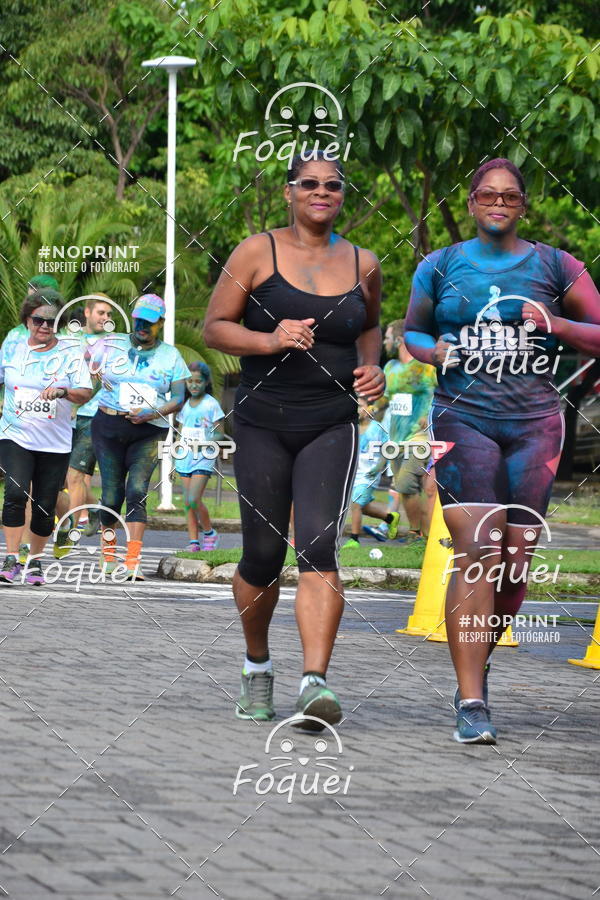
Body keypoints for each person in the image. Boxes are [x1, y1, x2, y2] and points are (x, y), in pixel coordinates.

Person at [405, 157, 600, 744]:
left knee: (514, 562)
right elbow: (413, 330)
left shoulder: (555, 265)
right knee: (477, 547)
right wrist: (434, 352)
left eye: (509, 196)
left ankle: (477, 658)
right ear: (470, 203)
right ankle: (471, 699)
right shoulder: (439, 267)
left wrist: (556, 325)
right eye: (487, 195)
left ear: (522, 205)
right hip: (462, 417)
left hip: (536, 424)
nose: (498, 203)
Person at [204, 151, 384, 729]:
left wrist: (371, 367)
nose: (322, 192)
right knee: (262, 556)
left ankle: (315, 684)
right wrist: (271, 337)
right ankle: (257, 667)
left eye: (333, 185)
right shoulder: (258, 251)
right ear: (289, 192)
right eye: (310, 183)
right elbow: (214, 328)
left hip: (331, 423)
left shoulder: (364, 261)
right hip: (261, 422)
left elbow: (371, 324)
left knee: (319, 547)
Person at [90, 293, 190, 580]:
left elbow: (180, 396)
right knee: (111, 495)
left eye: (149, 322)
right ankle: (108, 555)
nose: (142, 326)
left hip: (149, 430)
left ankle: (132, 561)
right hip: (108, 426)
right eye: (138, 320)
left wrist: (151, 412)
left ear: (161, 323)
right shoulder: (111, 344)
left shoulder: (171, 355)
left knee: (136, 490)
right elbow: (86, 367)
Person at [0, 291, 92, 585]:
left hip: (54, 441)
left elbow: (85, 392)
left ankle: (35, 561)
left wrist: (63, 392)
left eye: (51, 322)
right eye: (38, 319)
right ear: (27, 319)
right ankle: (11, 557)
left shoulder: (70, 354)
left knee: (44, 505)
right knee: (14, 495)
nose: (44, 326)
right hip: (15, 436)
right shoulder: (12, 350)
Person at [366, 319, 436, 544]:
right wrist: (372, 408)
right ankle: (422, 535)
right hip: (395, 439)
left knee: (407, 483)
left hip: (419, 436)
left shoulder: (425, 366)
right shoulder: (390, 367)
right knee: (407, 490)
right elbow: (387, 397)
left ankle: (418, 534)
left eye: (387, 337)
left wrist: (429, 414)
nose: (384, 341)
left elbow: (440, 391)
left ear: (399, 339)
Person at [65, 295, 115, 541]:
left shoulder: (112, 344)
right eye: (101, 313)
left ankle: (72, 529)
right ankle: (96, 509)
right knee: (67, 475)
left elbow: (101, 380)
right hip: (64, 417)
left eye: (109, 315)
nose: (106, 318)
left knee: (74, 476)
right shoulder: (70, 338)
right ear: (87, 312)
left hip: (92, 416)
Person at [174, 361, 224, 552]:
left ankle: (210, 533)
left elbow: (220, 432)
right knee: (187, 502)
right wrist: (174, 459)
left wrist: (205, 442)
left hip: (203, 457)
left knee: (194, 498)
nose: (194, 385)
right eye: (190, 381)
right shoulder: (185, 405)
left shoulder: (211, 404)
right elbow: (179, 432)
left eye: (198, 381)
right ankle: (194, 542)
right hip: (184, 457)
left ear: (206, 382)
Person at [341, 398, 399, 549]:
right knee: (363, 507)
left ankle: (354, 539)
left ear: (369, 408)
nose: (357, 409)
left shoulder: (378, 428)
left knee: (356, 503)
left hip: (370, 475)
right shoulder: (349, 427)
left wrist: (381, 467)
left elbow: (389, 448)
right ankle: (390, 518)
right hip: (353, 475)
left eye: (360, 406)